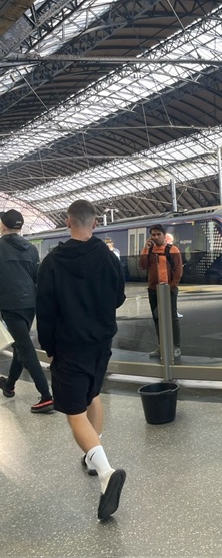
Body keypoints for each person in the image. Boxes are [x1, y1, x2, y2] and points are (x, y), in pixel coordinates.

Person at [36, 200, 126, 520]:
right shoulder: (108, 256)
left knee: (74, 413)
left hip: (70, 345)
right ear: (95, 223)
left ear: (68, 221)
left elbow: (45, 310)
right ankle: (93, 452)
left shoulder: (52, 262)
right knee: (93, 394)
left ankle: (105, 473)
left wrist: (48, 346)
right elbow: (119, 297)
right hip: (101, 342)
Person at [0, 209, 54, 413]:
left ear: (2, 226)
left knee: (25, 348)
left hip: (9, 305)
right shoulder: (31, 249)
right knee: (20, 346)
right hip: (30, 304)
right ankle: (9, 385)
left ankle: (46, 395)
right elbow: (37, 278)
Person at [139, 224, 183, 359]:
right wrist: (146, 249)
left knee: (172, 318)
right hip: (153, 289)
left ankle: (175, 346)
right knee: (157, 318)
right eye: (153, 235)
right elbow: (142, 265)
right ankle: (162, 346)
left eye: (158, 234)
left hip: (168, 289)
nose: (156, 237)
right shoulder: (150, 250)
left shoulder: (172, 249)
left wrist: (172, 286)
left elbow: (178, 270)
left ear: (164, 235)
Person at [165, 233, 183, 318]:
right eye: (170, 241)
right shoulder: (172, 250)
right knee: (171, 299)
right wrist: (174, 284)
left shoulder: (172, 249)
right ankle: (173, 313)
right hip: (169, 280)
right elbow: (178, 268)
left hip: (167, 281)